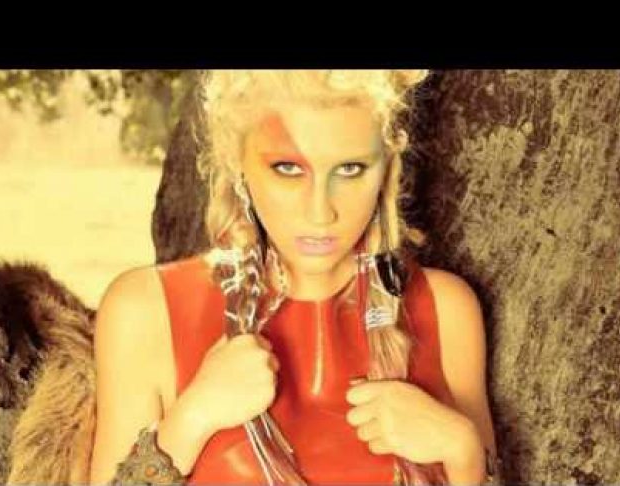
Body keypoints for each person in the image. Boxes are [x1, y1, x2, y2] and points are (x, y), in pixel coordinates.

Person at [88, 70, 502, 485]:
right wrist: (192, 419)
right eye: (287, 168)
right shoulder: (146, 310)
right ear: (238, 162)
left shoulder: (445, 309)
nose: (320, 213)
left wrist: (462, 449)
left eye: (350, 169)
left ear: (387, 167)